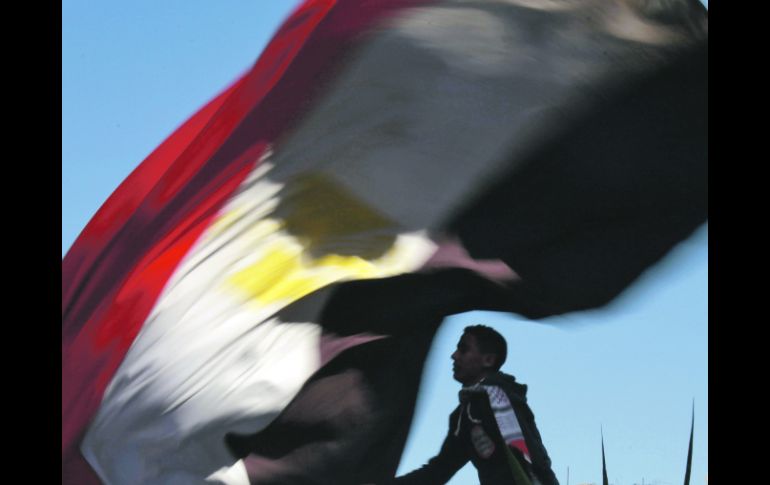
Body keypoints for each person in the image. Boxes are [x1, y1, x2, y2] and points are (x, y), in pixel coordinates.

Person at [384, 325, 559, 485]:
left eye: (463, 349)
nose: (454, 355)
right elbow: (438, 471)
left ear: (488, 360)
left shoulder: (499, 398)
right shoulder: (463, 416)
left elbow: (530, 456)